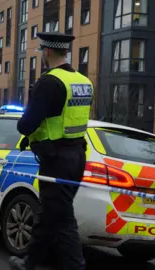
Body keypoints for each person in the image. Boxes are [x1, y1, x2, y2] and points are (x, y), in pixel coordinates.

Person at [8, 32, 93, 270]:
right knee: (49, 213)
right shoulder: (83, 81)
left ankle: (75, 267)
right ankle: (30, 262)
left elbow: (27, 124)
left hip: (56, 159)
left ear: (46, 52)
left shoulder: (48, 82)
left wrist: (28, 131)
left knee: (63, 218)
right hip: (77, 155)